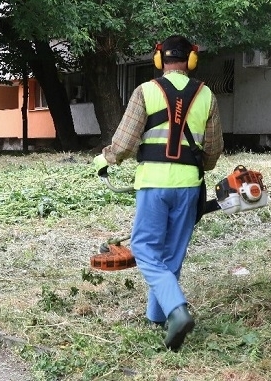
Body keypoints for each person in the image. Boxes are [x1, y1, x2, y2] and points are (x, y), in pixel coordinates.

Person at [94, 35, 223, 351]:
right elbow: (213, 149)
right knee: (172, 254)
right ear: (191, 60)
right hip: (189, 186)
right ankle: (157, 315)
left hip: (154, 183)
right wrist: (199, 166)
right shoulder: (206, 95)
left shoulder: (145, 91)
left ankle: (177, 310)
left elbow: (124, 144)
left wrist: (104, 159)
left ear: (159, 60)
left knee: (144, 247)